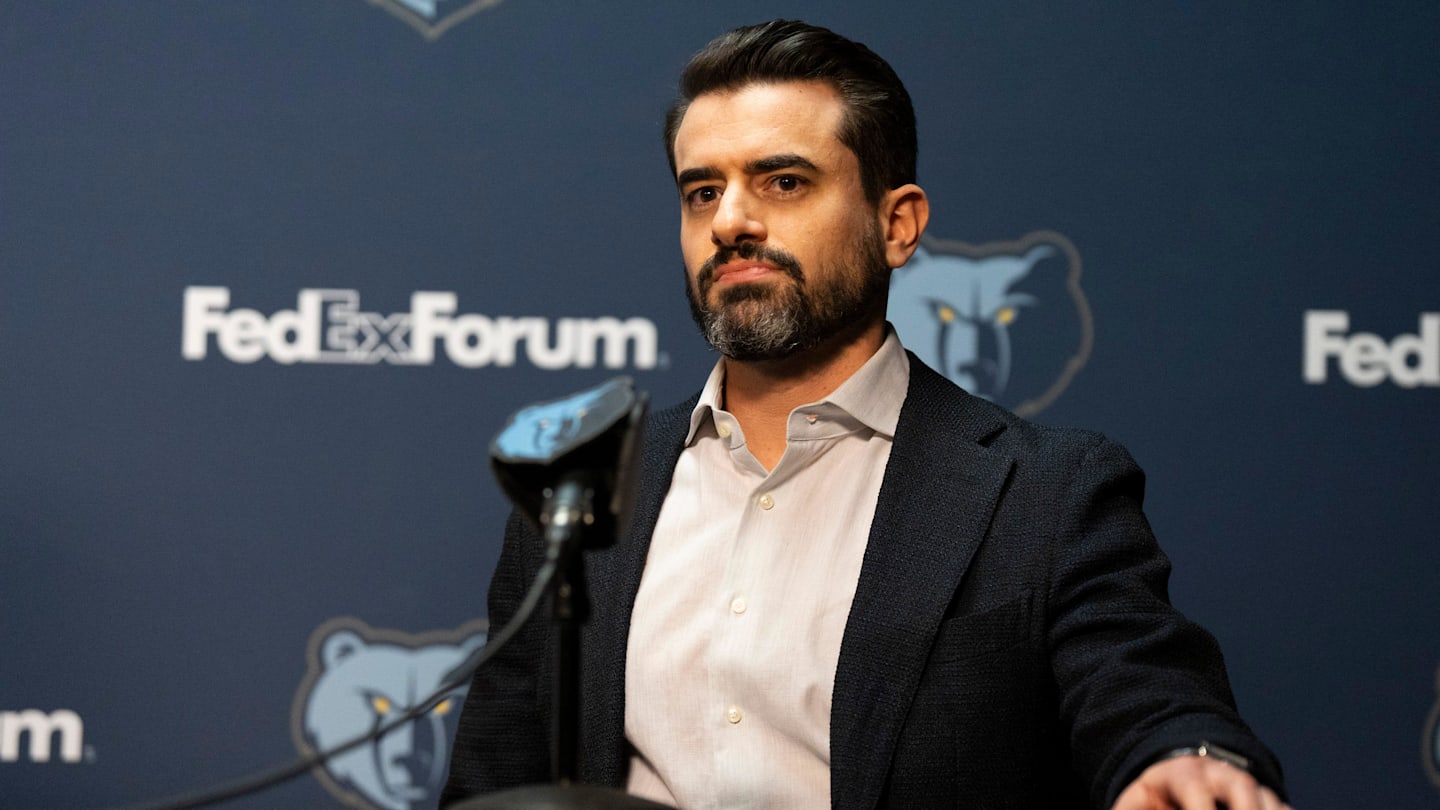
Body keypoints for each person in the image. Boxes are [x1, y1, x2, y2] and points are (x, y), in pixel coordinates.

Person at [443, 19, 1291, 810]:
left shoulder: (1047, 493)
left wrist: (1184, 759)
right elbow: (493, 786)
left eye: (783, 180)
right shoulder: (583, 496)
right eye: (702, 191)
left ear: (898, 225)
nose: (731, 221)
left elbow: (1144, 691)